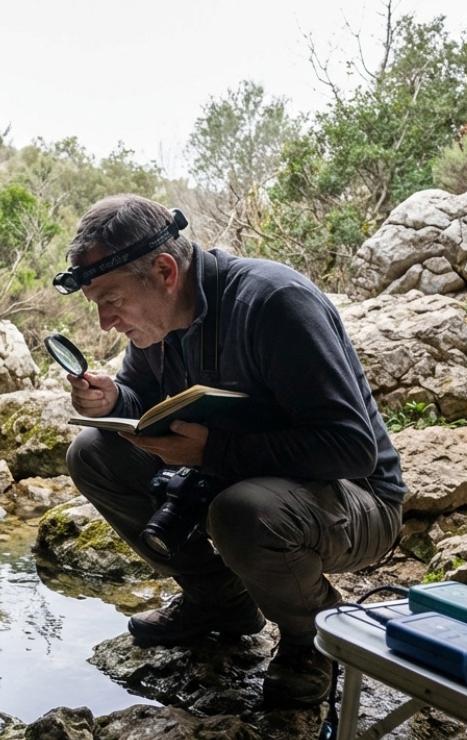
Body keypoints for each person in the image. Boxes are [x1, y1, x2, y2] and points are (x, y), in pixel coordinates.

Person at [56, 194, 406, 708]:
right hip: (233, 476)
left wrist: (215, 451)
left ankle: (316, 636)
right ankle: (218, 600)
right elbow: (145, 404)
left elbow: (353, 449)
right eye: (97, 305)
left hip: (357, 500)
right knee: (91, 451)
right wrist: (113, 400)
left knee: (243, 512)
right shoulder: (156, 324)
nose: (107, 322)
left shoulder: (274, 302)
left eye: (112, 300)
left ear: (164, 270)